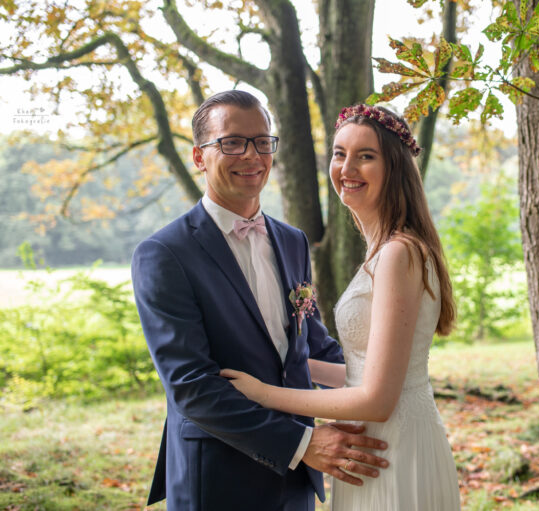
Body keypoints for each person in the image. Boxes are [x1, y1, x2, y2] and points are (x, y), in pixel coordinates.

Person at [131, 90, 389, 511]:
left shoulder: (293, 241)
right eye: (232, 142)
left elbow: (310, 346)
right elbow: (191, 386)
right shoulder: (164, 253)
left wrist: (386, 382)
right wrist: (303, 444)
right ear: (199, 157)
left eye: (262, 141)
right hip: (219, 475)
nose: (252, 155)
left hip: (298, 479)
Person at [221, 104, 461, 510]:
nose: (347, 168)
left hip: (391, 448)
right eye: (339, 153)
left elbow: (377, 400)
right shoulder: (389, 249)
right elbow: (365, 371)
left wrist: (265, 393)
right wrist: (290, 363)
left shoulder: (397, 253)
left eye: (365, 156)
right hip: (380, 443)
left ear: (395, 168)